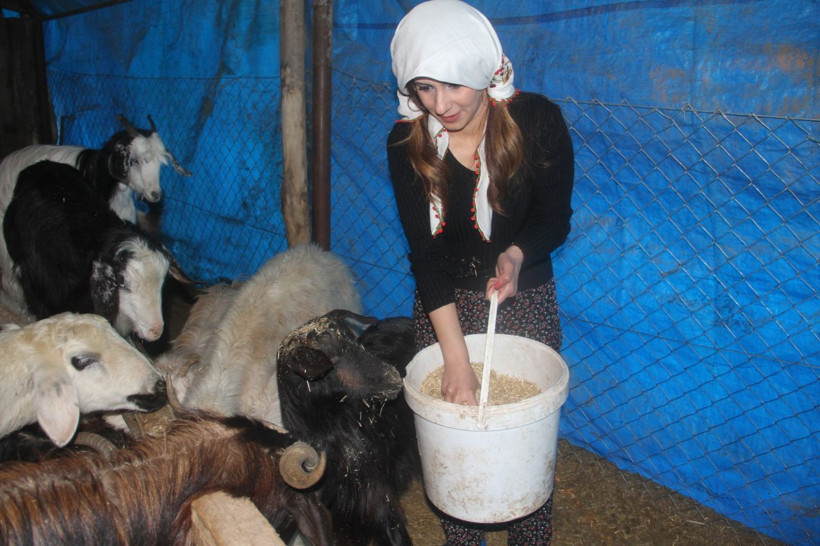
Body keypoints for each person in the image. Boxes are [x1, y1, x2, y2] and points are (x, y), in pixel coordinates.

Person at [387, 1, 574, 544]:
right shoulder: (407, 142)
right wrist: (456, 358)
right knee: (456, 452)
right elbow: (425, 256)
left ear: (483, 73)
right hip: (444, 307)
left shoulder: (537, 121)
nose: (440, 105)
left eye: (453, 87)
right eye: (424, 88)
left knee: (524, 452)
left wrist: (516, 255)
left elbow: (554, 219)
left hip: (524, 300)